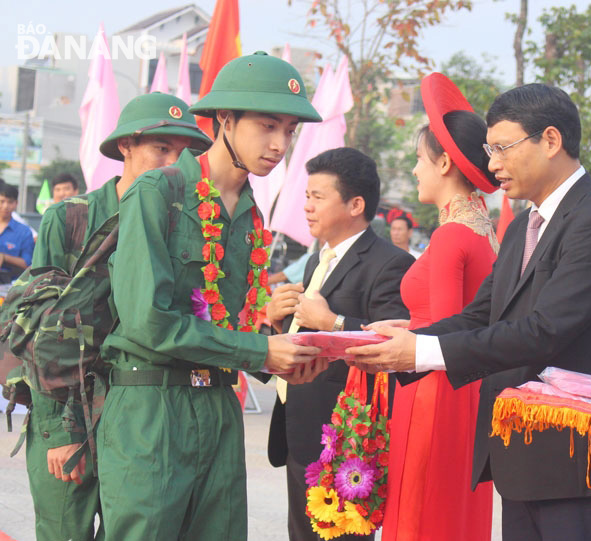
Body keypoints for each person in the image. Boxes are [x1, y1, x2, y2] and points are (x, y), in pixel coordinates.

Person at [347, 83, 591, 541]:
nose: (492, 164)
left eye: (503, 148)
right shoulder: (525, 223)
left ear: (550, 140)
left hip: (574, 463)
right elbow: (483, 313)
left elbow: (543, 331)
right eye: (490, 149)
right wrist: (405, 340)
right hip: (518, 456)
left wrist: (423, 351)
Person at [97, 52, 324, 541]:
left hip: (219, 405)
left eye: (289, 130)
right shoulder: (160, 191)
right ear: (225, 119)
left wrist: (287, 356)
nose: (279, 144)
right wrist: (260, 350)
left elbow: (234, 325)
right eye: (267, 125)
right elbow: (148, 320)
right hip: (150, 407)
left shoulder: (251, 215)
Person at [26, 92, 212, 541]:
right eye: (161, 149)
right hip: (68, 410)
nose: (173, 164)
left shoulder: (186, 229)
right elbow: (41, 329)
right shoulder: (72, 218)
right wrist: (63, 429)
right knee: (64, 531)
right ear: (125, 147)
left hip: (139, 418)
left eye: (184, 153)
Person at [266, 147, 415, 541]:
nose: (307, 206)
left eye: (318, 196)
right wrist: (278, 319)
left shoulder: (389, 263)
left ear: (355, 204)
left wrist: (331, 321)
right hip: (300, 428)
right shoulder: (318, 261)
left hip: (345, 440)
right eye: (306, 196)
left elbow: (391, 345)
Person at [381, 73, 498, 541]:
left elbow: (447, 334)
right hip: (462, 389)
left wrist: (405, 340)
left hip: (433, 390)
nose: (414, 170)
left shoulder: (451, 237)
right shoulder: (480, 230)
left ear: (445, 162)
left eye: (418, 160)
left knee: (423, 512)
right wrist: (401, 325)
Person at [0, 182, 34, 282]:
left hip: (10, 285)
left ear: (16, 204)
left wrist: (4, 257)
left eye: (10, 202)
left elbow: (27, 263)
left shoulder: (24, 232)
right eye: (2, 201)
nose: (6, 206)